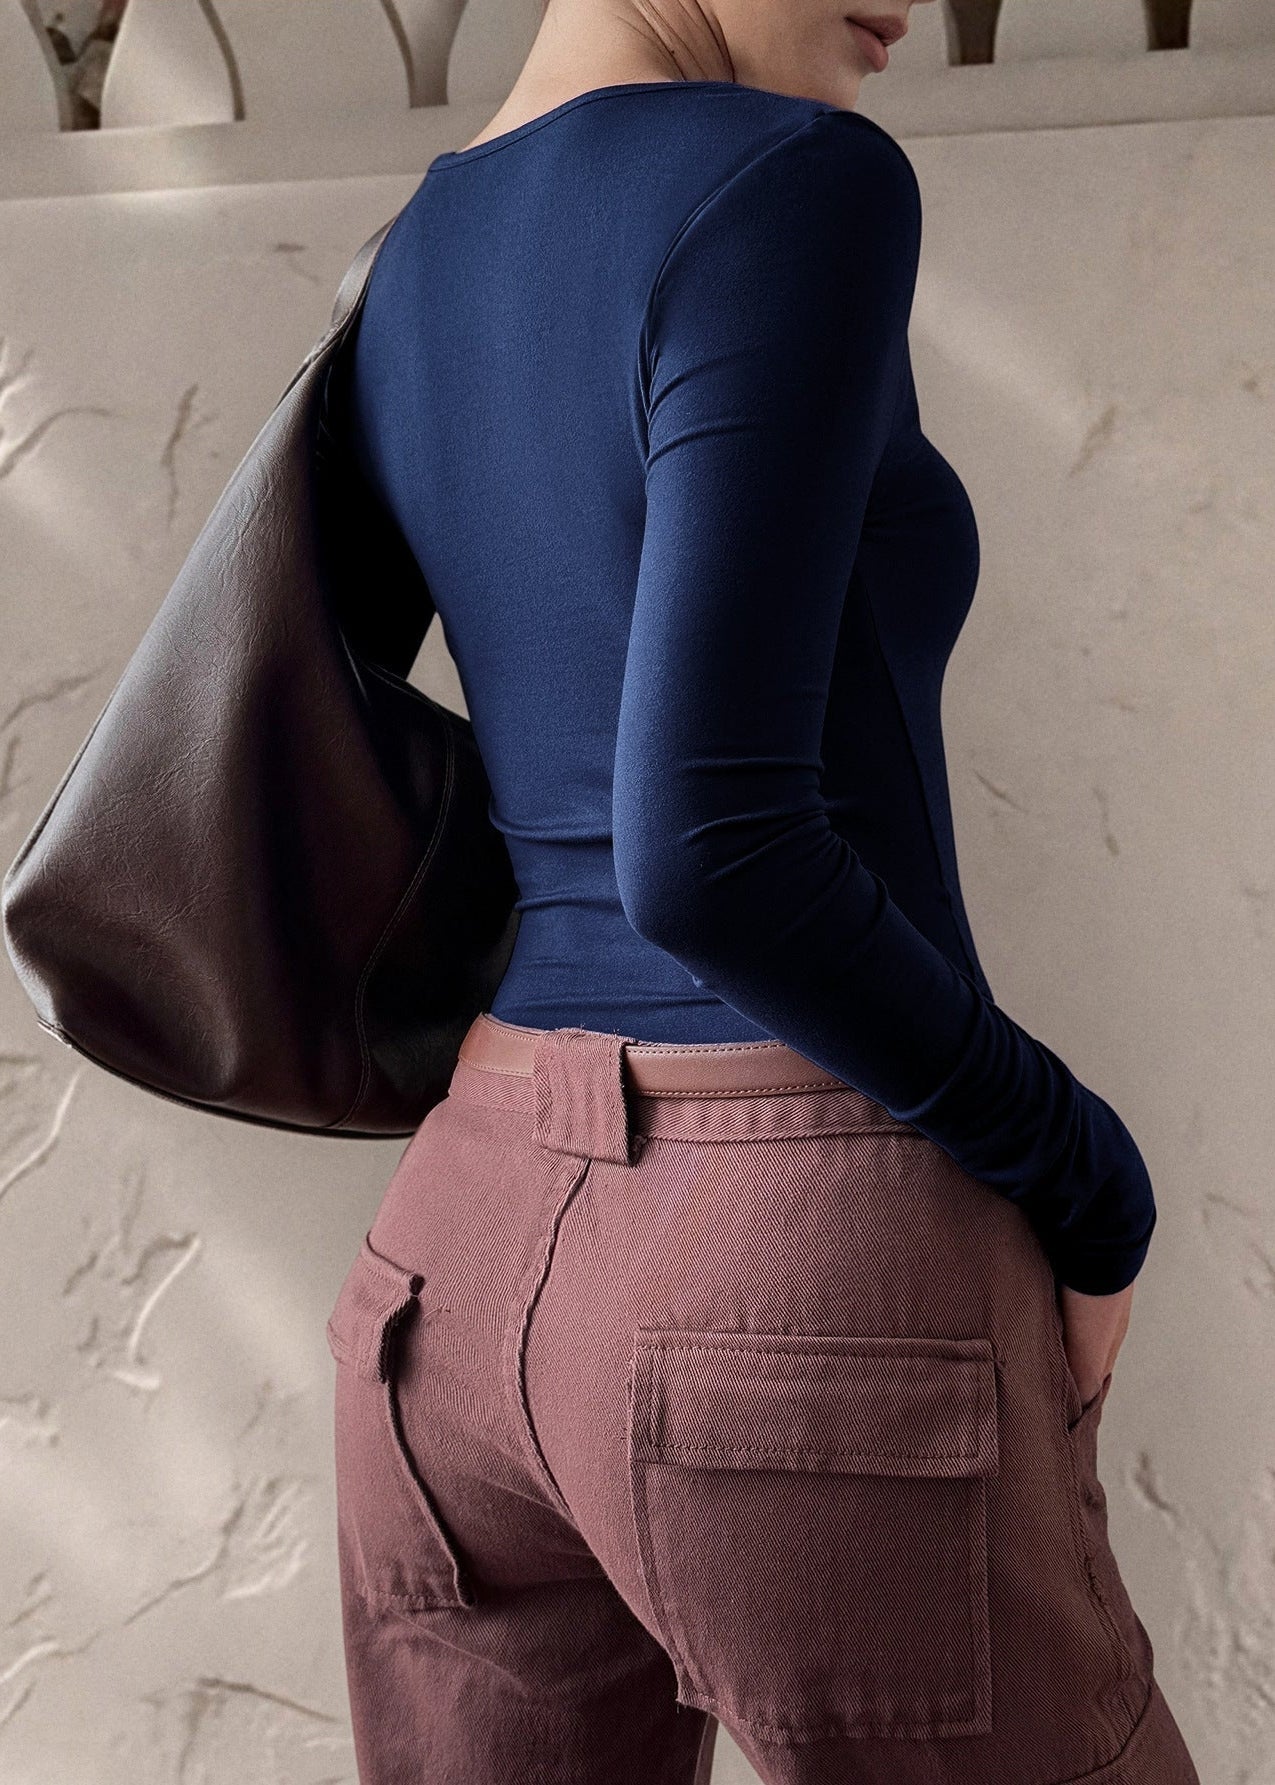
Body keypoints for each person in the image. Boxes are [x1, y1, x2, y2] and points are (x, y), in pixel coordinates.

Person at [321, 3, 1200, 1779]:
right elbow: (714, 851)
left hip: (453, 1271)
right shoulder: (796, 184)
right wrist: (1087, 1178)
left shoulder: (414, 255)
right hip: (783, 1267)